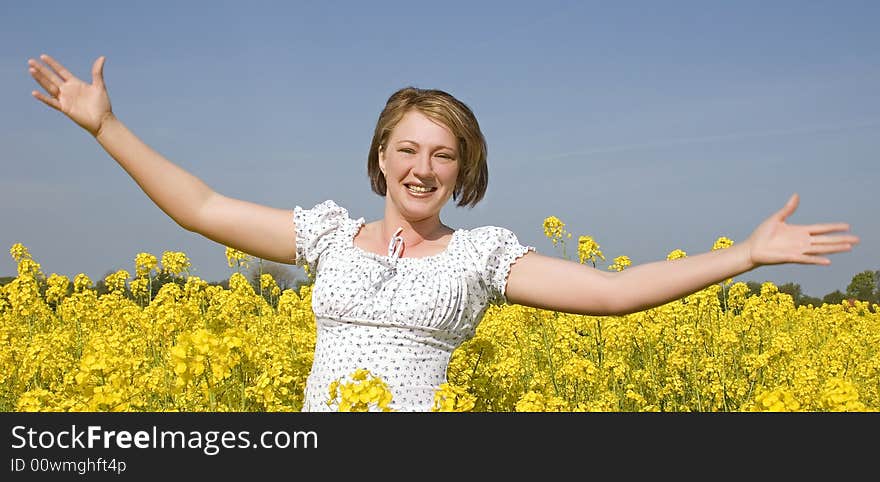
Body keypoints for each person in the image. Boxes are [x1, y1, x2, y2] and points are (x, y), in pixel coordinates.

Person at [27, 54, 861, 412]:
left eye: (443, 155)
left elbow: (611, 296)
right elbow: (201, 209)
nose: (423, 168)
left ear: (464, 171)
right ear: (381, 158)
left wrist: (747, 255)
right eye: (408, 150)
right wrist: (106, 128)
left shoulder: (479, 258)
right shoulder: (326, 235)